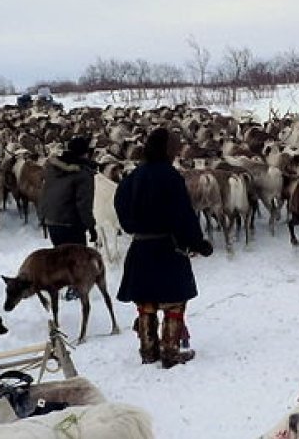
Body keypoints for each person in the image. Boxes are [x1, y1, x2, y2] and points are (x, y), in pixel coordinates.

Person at [113, 127, 213, 368]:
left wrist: (133, 226)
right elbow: (183, 216)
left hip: (140, 247)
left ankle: (148, 350)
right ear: (167, 150)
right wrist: (198, 243)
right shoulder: (170, 177)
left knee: (145, 302)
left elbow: (120, 204)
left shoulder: (132, 177)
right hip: (167, 248)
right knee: (174, 302)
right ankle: (170, 351)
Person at [40, 136, 98, 301]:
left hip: (52, 219)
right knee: (78, 258)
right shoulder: (83, 174)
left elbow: (46, 191)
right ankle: (75, 288)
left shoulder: (53, 167)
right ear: (86, 153)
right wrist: (91, 226)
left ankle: (56, 284)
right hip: (70, 222)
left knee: (60, 254)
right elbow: (83, 204)